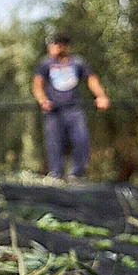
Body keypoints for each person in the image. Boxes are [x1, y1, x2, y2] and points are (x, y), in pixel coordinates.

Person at [32, 32, 110, 180]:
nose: (52, 47)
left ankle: (77, 174)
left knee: (81, 139)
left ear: (63, 46)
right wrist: (42, 100)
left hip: (73, 109)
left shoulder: (77, 62)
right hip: (53, 110)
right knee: (54, 143)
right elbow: (37, 85)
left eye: (55, 44)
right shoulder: (45, 63)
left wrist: (101, 96)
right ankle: (56, 174)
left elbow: (91, 80)